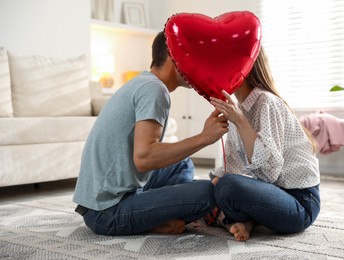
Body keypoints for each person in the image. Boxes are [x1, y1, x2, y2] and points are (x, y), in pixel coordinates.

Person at [73, 31, 229, 236]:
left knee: (182, 165)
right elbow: (144, 158)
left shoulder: (144, 82)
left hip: (98, 202)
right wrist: (204, 138)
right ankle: (152, 219)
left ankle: (153, 213)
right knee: (209, 193)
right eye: (192, 60)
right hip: (107, 212)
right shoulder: (155, 90)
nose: (196, 68)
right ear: (175, 59)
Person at [208, 46, 321, 242]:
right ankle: (248, 220)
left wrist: (241, 121)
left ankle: (239, 219)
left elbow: (270, 173)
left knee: (228, 187)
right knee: (210, 187)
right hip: (272, 193)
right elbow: (233, 165)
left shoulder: (266, 102)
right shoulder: (239, 108)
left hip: (301, 203)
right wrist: (213, 183)